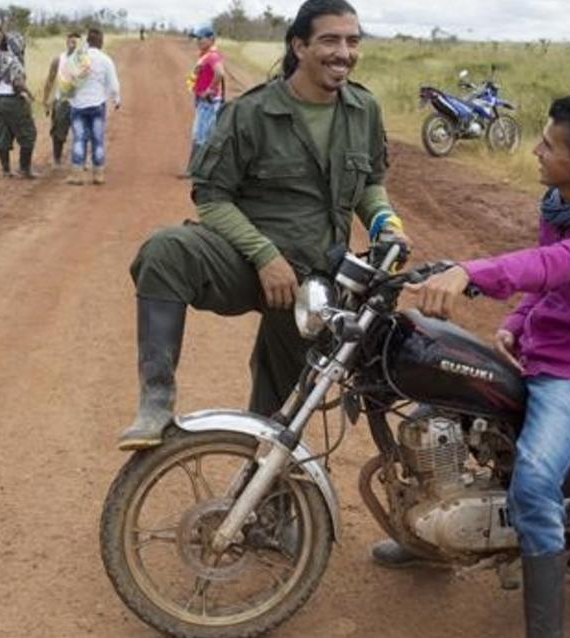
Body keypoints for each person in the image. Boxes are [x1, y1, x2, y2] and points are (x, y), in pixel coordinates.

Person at [381, 95, 570, 638]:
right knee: (437, 408)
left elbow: (553, 266)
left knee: (532, 486)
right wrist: (514, 322)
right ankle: (428, 541)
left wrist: (469, 274)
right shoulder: (561, 202)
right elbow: (548, 282)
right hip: (540, 349)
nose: (535, 149)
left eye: (548, 144)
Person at [118, 0, 408, 450]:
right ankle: (156, 401)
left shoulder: (363, 109)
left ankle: (269, 512)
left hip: (314, 284)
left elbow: (370, 182)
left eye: (353, 41)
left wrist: (385, 222)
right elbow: (211, 196)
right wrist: (265, 255)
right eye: (330, 40)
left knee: (280, 414)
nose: (344, 52)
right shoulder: (251, 113)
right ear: (299, 45)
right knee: (165, 252)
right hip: (249, 264)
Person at [65, 28, 121, 186]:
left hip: (78, 105)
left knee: (78, 139)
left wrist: (68, 98)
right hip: (97, 105)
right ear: (101, 41)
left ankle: (76, 175)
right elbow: (113, 84)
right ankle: (98, 175)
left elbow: (66, 81)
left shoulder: (77, 57)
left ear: (88, 41)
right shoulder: (105, 60)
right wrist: (116, 99)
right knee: (97, 140)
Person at [0, 34, 36, 179]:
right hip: (12, 101)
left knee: (3, 134)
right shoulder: (14, 61)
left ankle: (6, 169)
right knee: (28, 134)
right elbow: (18, 83)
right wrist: (30, 94)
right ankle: (24, 168)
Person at [184, 26, 227, 174]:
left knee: (200, 135)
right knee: (203, 134)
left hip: (209, 102)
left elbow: (220, 73)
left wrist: (209, 90)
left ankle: (195, 169)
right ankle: (199, 168)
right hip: (205, 101)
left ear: (211, 39)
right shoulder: (206, 55)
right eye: (197, 38)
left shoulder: (212, 56)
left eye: (201, 38)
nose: (198, 41)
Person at [42, 32, 86, 170]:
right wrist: (46, 100)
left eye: (76, 41)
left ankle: (81, 161)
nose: (73, 43)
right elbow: (49, 80)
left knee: (81, 132)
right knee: (58, 132)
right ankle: (57, 159)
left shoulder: (84, 60)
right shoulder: (58, 60)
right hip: (62, 101)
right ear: (66, 42)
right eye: (70, 40)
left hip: (80, 101)